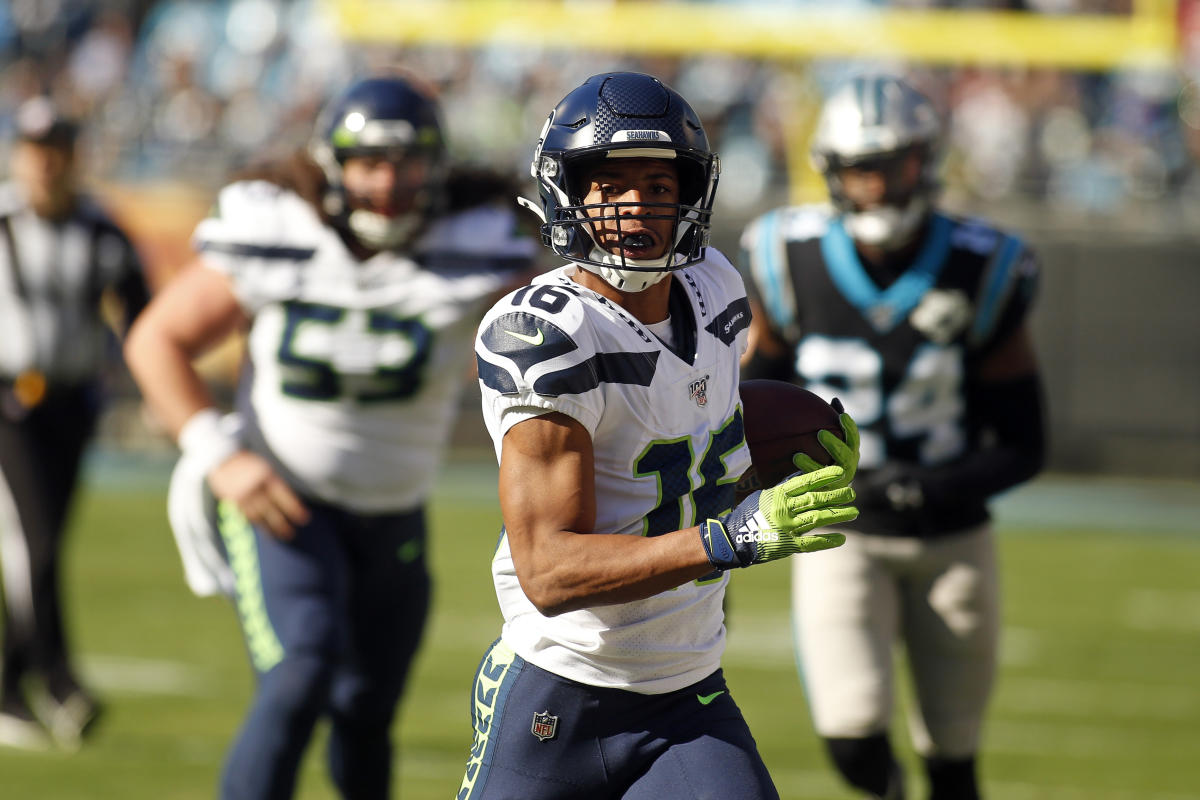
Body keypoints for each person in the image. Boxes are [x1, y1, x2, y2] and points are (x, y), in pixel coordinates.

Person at [123, 74, 536, 800]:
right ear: (331, 164)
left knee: (367, 712)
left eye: (407, 162)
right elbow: (155, 340)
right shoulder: (281, 229)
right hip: (283, 500)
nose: (388, 182)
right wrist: (221, 457)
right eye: (369, 161)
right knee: (301, 672)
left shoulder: (479, 245)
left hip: (394, 512)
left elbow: (556, 340)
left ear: (437, 167)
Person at [458, 71, 861, 800]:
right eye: (609, 186)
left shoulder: (716, 289)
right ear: (567, 194)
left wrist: (784, 463)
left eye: (657, 183)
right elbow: (549, 572)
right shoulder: (545, 332)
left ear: (691, 193)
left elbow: (689, 458)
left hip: (685, 692)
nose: (636, 206)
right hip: (561, 688)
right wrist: (729, 539)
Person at [739, 73, 1047, 800]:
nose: (875, 187)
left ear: (924, 162)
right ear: (833, 174)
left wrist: (929, 487)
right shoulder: (789, 255)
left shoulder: (982, 265)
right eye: (858, 169)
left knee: (953, 757)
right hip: (840, 529)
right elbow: (748, 407)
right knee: (851, 735)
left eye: (891, 166)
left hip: (953, 535)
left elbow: (1026, 441)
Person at [0, 96, 149, 751]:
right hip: (7, 402)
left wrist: (148, 388)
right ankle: (60, 682)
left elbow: (144, 315)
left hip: (70, 404)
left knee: (43, 545)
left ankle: (10, 689)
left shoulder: (102, 230)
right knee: (35, 545)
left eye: (58, 149)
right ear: (18, 156)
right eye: (36, 150)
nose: (47, 164)